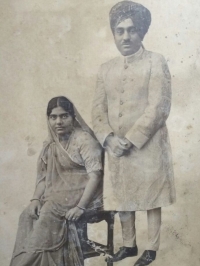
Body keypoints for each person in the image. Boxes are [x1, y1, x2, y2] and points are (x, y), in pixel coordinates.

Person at [92, 1, 176, 265]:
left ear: (141, 33)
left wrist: (132, 138)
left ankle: (151, 248)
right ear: (114, 34)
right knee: (122, 195)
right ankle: (128, 245)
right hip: (115, 146)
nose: (125, 36)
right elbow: (97, 111)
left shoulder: (155, 61)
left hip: (147, 144)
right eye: (120, 31)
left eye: (131, 30)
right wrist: (108, 137)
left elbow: (159, 106)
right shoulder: (106, 68)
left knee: (151, 196)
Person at [10, 96, 103, 266]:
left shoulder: (84, 140)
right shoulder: (51, 144)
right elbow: (44, 178)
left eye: (64, 116)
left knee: (49, 212)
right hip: (58, 195)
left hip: (85, 196)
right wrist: (35, 199)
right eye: (53, 117)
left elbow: (95, 176)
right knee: (27, 215)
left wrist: (80, 207)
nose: (58, 122)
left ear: (73, 117)